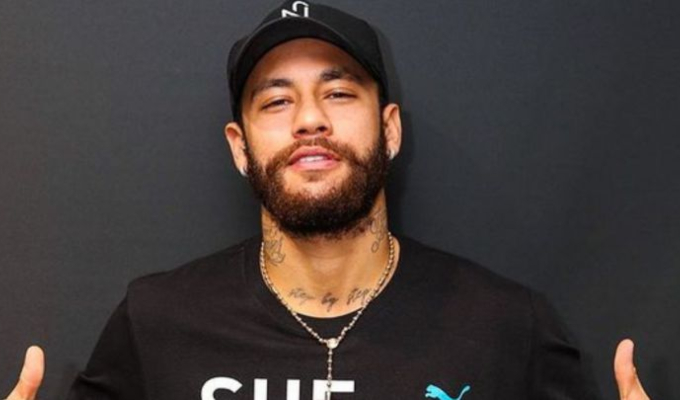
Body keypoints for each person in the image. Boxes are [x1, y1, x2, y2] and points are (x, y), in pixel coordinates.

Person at [5, 1, 651, 399]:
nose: (310, 119)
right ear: (239, 146)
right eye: (276, 101)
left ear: (389, 129)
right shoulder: (156, 322)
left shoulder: (507, 326)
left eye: (339, 93)